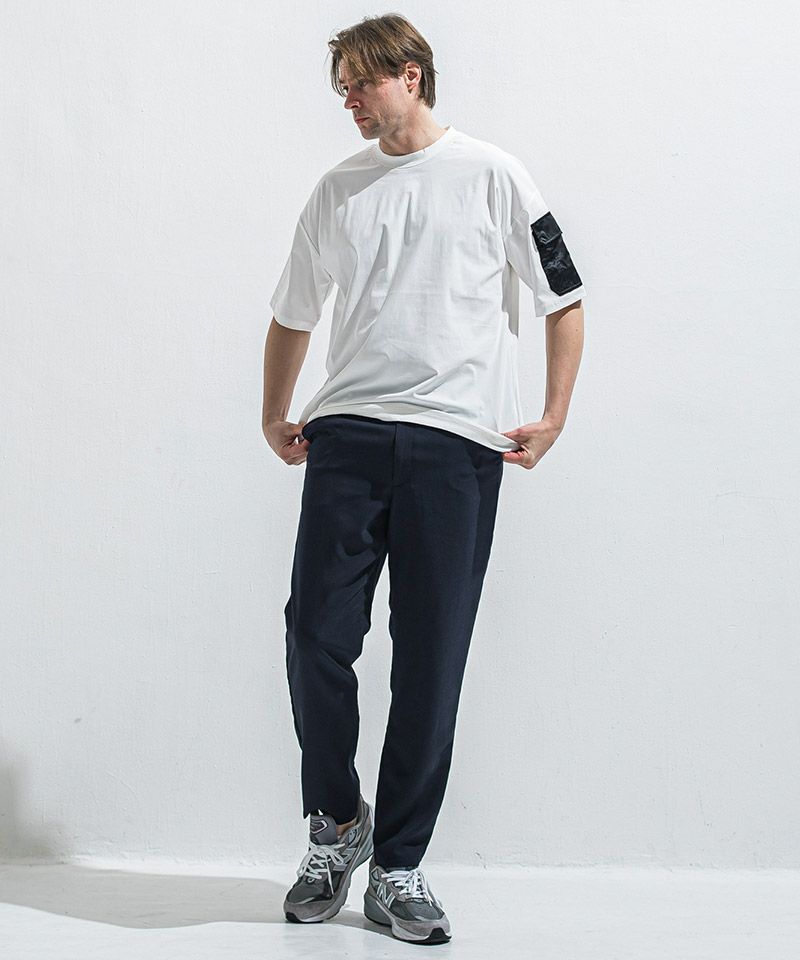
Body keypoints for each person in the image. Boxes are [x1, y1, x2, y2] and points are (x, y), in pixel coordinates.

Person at [262, 14, 586, 945]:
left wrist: (554, 414)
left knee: (431, 660)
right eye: (341, 91)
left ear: (411, 75)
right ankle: (337, 825)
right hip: (349, 436)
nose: (351, 104)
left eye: (361, 84)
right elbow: (292, 312)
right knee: (314, 637)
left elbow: (564, 296)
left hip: (457, 444)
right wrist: (275, 413)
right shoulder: (338, 189)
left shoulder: (495, 175)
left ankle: (399, 865)